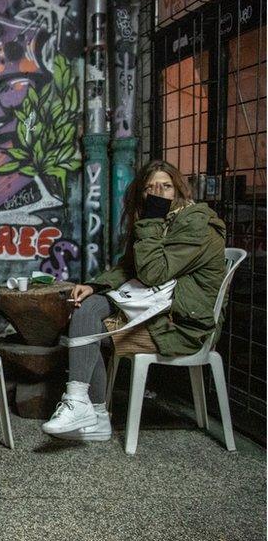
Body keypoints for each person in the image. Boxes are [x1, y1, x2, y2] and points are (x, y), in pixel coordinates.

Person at [42, 160, 226, 441]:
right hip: (152, 308)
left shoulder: (197, 224)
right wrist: (94, 285)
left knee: (86, 328)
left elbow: (153, 273)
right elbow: (130, 267)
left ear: (179, 190)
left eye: (165, 186)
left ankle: (93, 411)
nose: (158, 193)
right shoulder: (161, 221)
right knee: (86, 308)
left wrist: (150, 218)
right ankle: (85, 407)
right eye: (150, 188)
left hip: (181, 324)